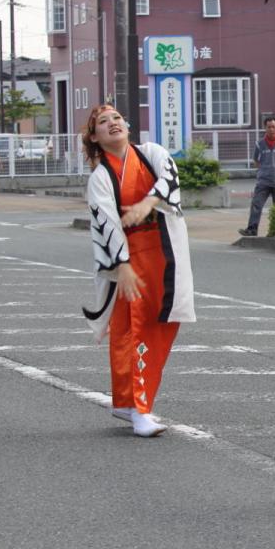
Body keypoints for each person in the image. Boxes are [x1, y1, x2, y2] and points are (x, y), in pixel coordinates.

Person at [80, 104, 195, 438]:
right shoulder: (100, 178)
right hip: (132, 260)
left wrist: (147, 203)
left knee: (158, 327)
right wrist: (123, 265)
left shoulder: (150, 153)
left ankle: (127, 401)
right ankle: (140, 409)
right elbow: (107, 224)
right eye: (103, 122)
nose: (113, 123)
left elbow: (170, 176)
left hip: (165, 253)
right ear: (95, 137)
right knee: (135, 329)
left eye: (116, 117)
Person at [239, 116, 275, 236]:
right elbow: (256, 161)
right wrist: (263, 171)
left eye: (273, 127)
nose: (271, 129)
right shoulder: (259, 144)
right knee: (256, 204)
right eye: (269, 127)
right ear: (265, 128)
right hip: (263, 181)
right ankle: (252, 229)